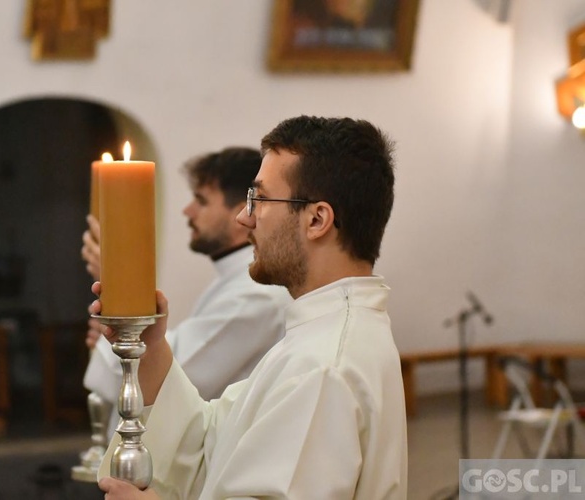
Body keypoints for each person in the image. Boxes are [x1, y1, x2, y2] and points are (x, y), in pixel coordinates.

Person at [94, 115, 407, 499]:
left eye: (259, 199)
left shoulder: (323, 366)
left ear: (317, 219)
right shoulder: (318, 337)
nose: (245, 218)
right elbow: (215, 441)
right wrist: (153, 348)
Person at [82, 147, 291, 435]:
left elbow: (170, 380)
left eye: (201, 201)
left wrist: (117, 280)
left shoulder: (257, 295)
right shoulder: (235, 279)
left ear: (240, 212)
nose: (187, 211)